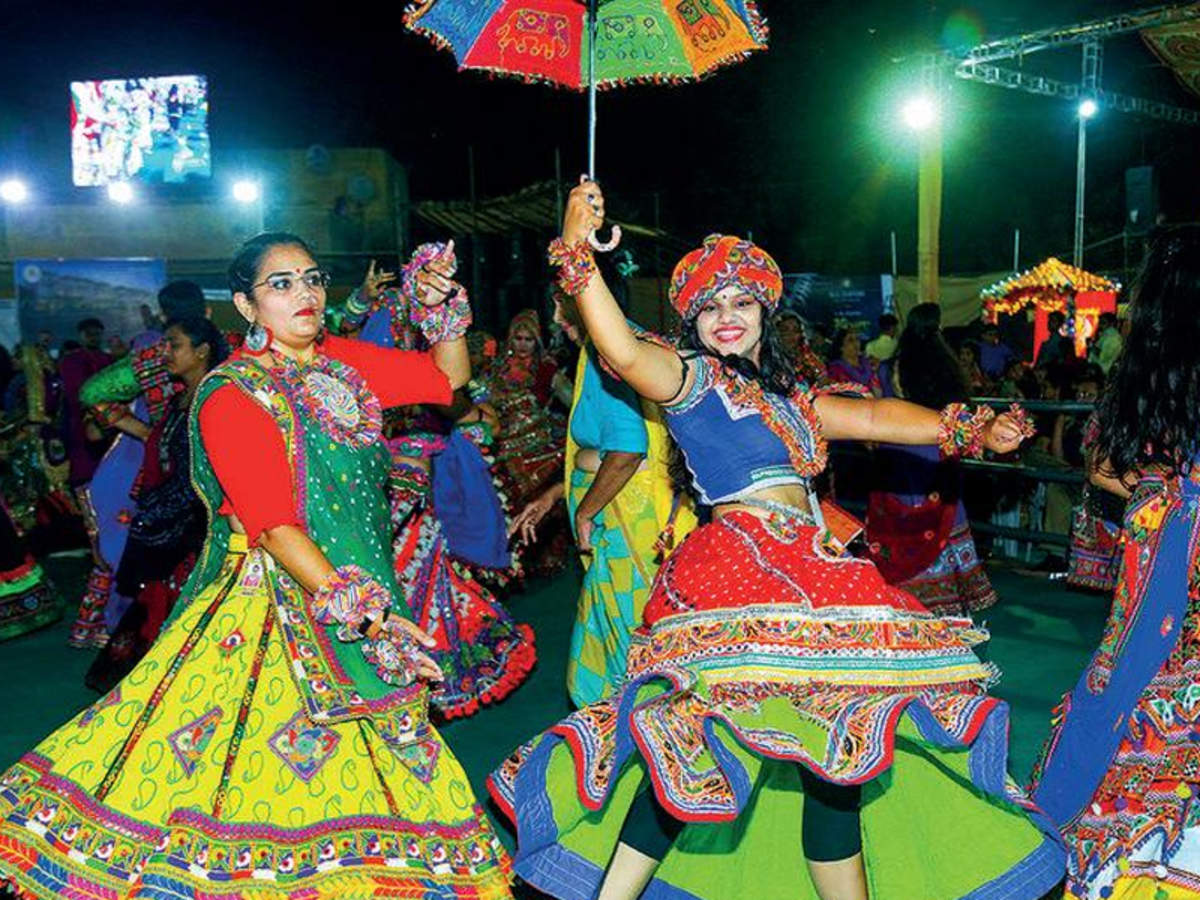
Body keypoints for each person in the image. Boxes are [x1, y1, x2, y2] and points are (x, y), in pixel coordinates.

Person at [488, 180, 1061, 900]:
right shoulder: (688, 379)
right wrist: (576, 254)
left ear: (766, 310)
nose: (727, 316)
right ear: (691, 321)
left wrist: (970, 428)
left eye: (742, 301)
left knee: (839, 761)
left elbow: (880, 417)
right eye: (710, 306)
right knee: (697, 749)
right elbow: (624, 352)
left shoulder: (796, 402)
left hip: (818, 576)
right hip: (738, 571)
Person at [0, 232, 512, 900]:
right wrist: (370, 615)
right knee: (247, 780)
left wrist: (442, 309)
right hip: (274, 610)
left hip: (362, 595)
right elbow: (272, 523)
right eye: (281, 284)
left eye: (312, 277)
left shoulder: (340, 366)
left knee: (375, 766)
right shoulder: (232, 393)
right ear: (244, 304)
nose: (305, 294)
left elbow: (445, 379)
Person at [1030, 227, 1200, 899]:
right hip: (1172, 558)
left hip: (1160, 560)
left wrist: (1163, 493)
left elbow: (1102, 466)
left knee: (1132, 687)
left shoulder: (1147, 376)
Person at [345, 246, 536, 719]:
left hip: (424, 460)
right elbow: (351, 361)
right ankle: (391, 667)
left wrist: (470, 416)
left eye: (446, 274)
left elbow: (450, 387)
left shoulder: (444, 316)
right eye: (430, 272)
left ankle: (421, 668)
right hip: (379, 461)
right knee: (391, 566)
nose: (437, 281)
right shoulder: (390, 314)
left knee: (424, 563)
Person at [510, 288, 697, 707]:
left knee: (630, 643)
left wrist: (585, 512)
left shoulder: (608, 351)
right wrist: (557, 494)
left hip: (624, 519)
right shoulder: (619, 342)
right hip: (626, 509)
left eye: (562, 303)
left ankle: (638, 737)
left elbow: (628, 448)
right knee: (627, 635)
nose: (556, 316)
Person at [83, 316, 228, 693]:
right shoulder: (181, 398)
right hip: (169, 526)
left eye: (174, 344)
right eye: (163, 344)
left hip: (195, 532)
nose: (165, 353)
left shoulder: (215, 401)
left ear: (201, 351)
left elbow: (199, 476)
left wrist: (153, 521)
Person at [69, 281, 210, 648]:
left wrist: (148, 432)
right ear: (207, 310)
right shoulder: (231, 347)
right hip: (180, 472)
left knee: (135, 552)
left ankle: (112, 629)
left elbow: (92, 394)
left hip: (148, 470)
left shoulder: (152, 351)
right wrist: (152, 433)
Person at [866, 303, 998, 615]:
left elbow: (876, 407)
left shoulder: (888, 368)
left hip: (895, 455)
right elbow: (960, 413)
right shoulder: (945, 367)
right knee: (944, 518)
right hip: (934, 452)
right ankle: (948, 605)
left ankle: (904, 601)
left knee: (900, 525)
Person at [486, 309, 570, 575]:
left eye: (528, 339)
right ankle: (507, 561)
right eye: (518, 338)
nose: (522, 345)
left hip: (537, 447)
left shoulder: (546, 368)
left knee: (539, 501)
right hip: (501, 443)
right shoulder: (496, 367)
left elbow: (572, 400)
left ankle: (539, 557)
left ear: (537, 341)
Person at [775, 310, 827, 386]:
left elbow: (824, 382)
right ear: (776, 333)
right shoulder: (768, 359)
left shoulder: (810, 360)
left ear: (801, 335)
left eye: (795, 330)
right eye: (784, 330)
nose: (790, 334)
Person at [825, 327, 881, 396]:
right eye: (850, 340)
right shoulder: (835, 370)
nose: (856, 343)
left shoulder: (868, 363)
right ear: (841, 347)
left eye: (857, 339)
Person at [1088, 311, 1123, 375]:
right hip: (1097, 369)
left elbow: (1103, 357)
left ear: (1111, 324)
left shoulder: (1112, 338)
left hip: (1101, 371)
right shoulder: (1105, 336)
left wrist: (1093, 346)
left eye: (1103, 323)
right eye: (1100, 323)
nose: (1100, 325)